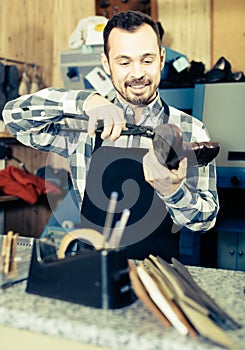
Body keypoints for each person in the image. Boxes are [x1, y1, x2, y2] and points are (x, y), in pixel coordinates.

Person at [2, 11, 219, 260]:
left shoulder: (191, 129)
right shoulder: (82, 125)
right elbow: (13, 116)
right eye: (124, 62)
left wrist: (174, 191)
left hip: (159, 275)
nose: (137, 73)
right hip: (92, 268)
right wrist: (85, 100)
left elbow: (205, 221)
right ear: (106, 64)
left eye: (146, 60)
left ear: (161, 60)